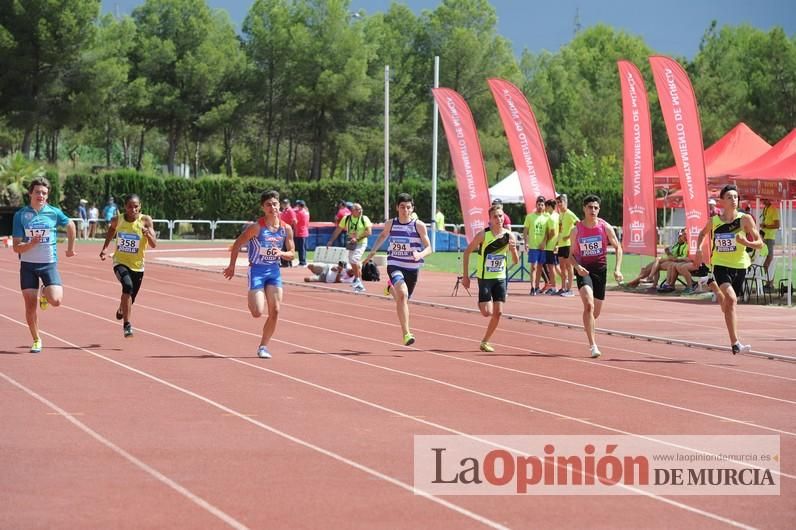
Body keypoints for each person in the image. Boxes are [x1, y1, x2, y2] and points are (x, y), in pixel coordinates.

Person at [223, 190, 295, 359]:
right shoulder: (257, 227)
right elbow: (238, 243)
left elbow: (292, 253)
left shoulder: (286, 229)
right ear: (263, 208)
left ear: (280, 206)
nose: (273, 207)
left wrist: (282, 253)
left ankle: (263, 346)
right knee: (257, 312)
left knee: (275, 311)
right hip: (257, 270)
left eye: (275, 204)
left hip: (274, 272)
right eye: (268, 205)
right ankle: (253, 299)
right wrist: (232, 266)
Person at [696, 184, 763, 354]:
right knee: (732, 300)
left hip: (740, 266)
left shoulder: (745, 219)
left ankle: (717, 292)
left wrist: (747, 243)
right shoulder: (715, 221)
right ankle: (735, 343)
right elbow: (702, 234)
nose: (734, 200)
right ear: (722, 202)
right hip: (720, 265)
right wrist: (698, 249)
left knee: (728, 303)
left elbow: (760, 243)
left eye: (736, 197)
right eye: (729, 197)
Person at [11, 177, 76, 353]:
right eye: (38, 192)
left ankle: (45, 293)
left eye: (44, 193)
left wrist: (70, 248)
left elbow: (70, 224)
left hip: (48, 264)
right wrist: (31, 244)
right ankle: (36, 339)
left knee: (56, 300)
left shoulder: (54, 213)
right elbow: (16, 246)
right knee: (30, 305)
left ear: (48, 196)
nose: (41, 195)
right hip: (28, 266)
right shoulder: (21, 215)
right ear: (30, 193)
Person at [364, 193, 432, 346]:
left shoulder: (418, 225)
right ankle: (406, 333)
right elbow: (382, 236)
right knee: (403, 295)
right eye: (402, 207)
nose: (405, 210)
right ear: (397, 208)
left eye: (408, 207)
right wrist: (372, 252)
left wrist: (420, 254)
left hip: (412, 268)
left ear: (412, 208)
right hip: (395, 264)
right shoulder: (391, 224)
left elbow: (429, 248)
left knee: (403, 299)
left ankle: (390, 287)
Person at [563, 194, 623, 358]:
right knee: (588, 305)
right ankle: (593, 345)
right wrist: (577, 267)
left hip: (600, 271)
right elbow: (570, 256)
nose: (593, 210)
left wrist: (617, 269)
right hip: (584, 270)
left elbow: (618, 248)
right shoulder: (576, 230)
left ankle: (588, 325)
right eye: (590, 207)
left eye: (596, 208)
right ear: (584, 209)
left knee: (594, 314)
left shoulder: (605, 227)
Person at [460, 204, 519, 352]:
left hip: (500, 277)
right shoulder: (483, 235)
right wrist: (466, 277)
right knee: (487, 312)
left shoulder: (509, 236)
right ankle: (481, 302)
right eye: (495, 217)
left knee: (498, 312)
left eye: (501, 216)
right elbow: (467, 252)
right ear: (490, 220)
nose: (499, 219)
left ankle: (485, 341)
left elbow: (516, 261)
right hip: (485, 278)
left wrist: (513, 250)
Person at [99, 194, 157, 338]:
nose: (133, 209)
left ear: (140, 207)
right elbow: (111, 230)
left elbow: (154, 244)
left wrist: (147, 234)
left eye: (136, 206)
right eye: (130, 206)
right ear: (125, 207)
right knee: (127, 286)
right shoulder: (117, 220)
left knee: (131, 298)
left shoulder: (145, 220)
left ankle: (121, 308)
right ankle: (127, 325)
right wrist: (105, 248)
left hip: (138, 266)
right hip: (120, 262)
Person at [326, 202, 372, 292]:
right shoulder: (346, 219)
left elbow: (369, 232)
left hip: (361, 242)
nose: (360, 211)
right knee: (351, 261)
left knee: (354, 259)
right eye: (358, 209)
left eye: (361, 209)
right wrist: (331, 240)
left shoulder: (364, 218)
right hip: (350, 242)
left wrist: (357, 238)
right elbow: (338, 230)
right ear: (352, 211)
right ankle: (356, 279)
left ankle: (358, 280)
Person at [522, 195, 548, 295]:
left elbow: (548, 232)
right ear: (536, 205)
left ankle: (537, 286)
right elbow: (525, 231)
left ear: (544, 206)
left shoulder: (547, 217)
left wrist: (544, 242)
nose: (540, 206)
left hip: (543, 246)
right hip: (533, 246)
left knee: (540, 267)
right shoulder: (530, 216)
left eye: (542, 204)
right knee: (533, 267)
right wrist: (526, 242)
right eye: (539, 204)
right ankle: (532, 287)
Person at [555, 194, 579, 296]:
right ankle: (563, 287)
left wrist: (569, 236)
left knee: (569, 267)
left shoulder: (569, 214)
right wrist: (557, 242)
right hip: (561, 244)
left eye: (561, 202)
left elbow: (578, 224)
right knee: (562, 267)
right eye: (558, 203)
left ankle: (570, 289)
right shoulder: (560, 214)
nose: (559, 204)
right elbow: (560, 230)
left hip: (568, 244)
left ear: (566, 203)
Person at [759, 198, 780, 290]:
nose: (763, 201)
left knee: (768, 260)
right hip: (765, 237)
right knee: (764, 261)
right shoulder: (765, 209)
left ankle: (770, 283)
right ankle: (769, 282)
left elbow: (777, 225)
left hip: (770, 237)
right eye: (762, 200)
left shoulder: (773, 209)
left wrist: (765, 226)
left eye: (764, 199)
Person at [542, 199, 560, 294]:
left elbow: (552, 232)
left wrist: (546, 241)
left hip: (550, 246)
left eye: (546, 206)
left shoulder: (551, 217)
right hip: (555, 245)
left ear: (549, 206)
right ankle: (564, 284)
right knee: (556, 266)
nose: (545, 208)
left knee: (551, 267)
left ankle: (553, 287)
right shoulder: (557, 215)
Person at [279, 198, 298, 267]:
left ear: (289, 204)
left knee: (287, 247)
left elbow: (294, 221)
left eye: (286, 203)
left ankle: (286, 263)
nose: (284, 205)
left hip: (287, 230)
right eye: (283, 203)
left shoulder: (290, 211)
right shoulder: (284, 211)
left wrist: (291, 228)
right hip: (283, 230)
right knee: (283, 247)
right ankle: (286, 262)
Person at [293, 199, 309, 266]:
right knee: (303, 248)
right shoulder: (306, 211)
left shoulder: (299, 213)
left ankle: (302, 262)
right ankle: (303, 261)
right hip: (305, 232)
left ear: (299, 205)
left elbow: (294, 221)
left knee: (301, 249)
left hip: (300, 232)